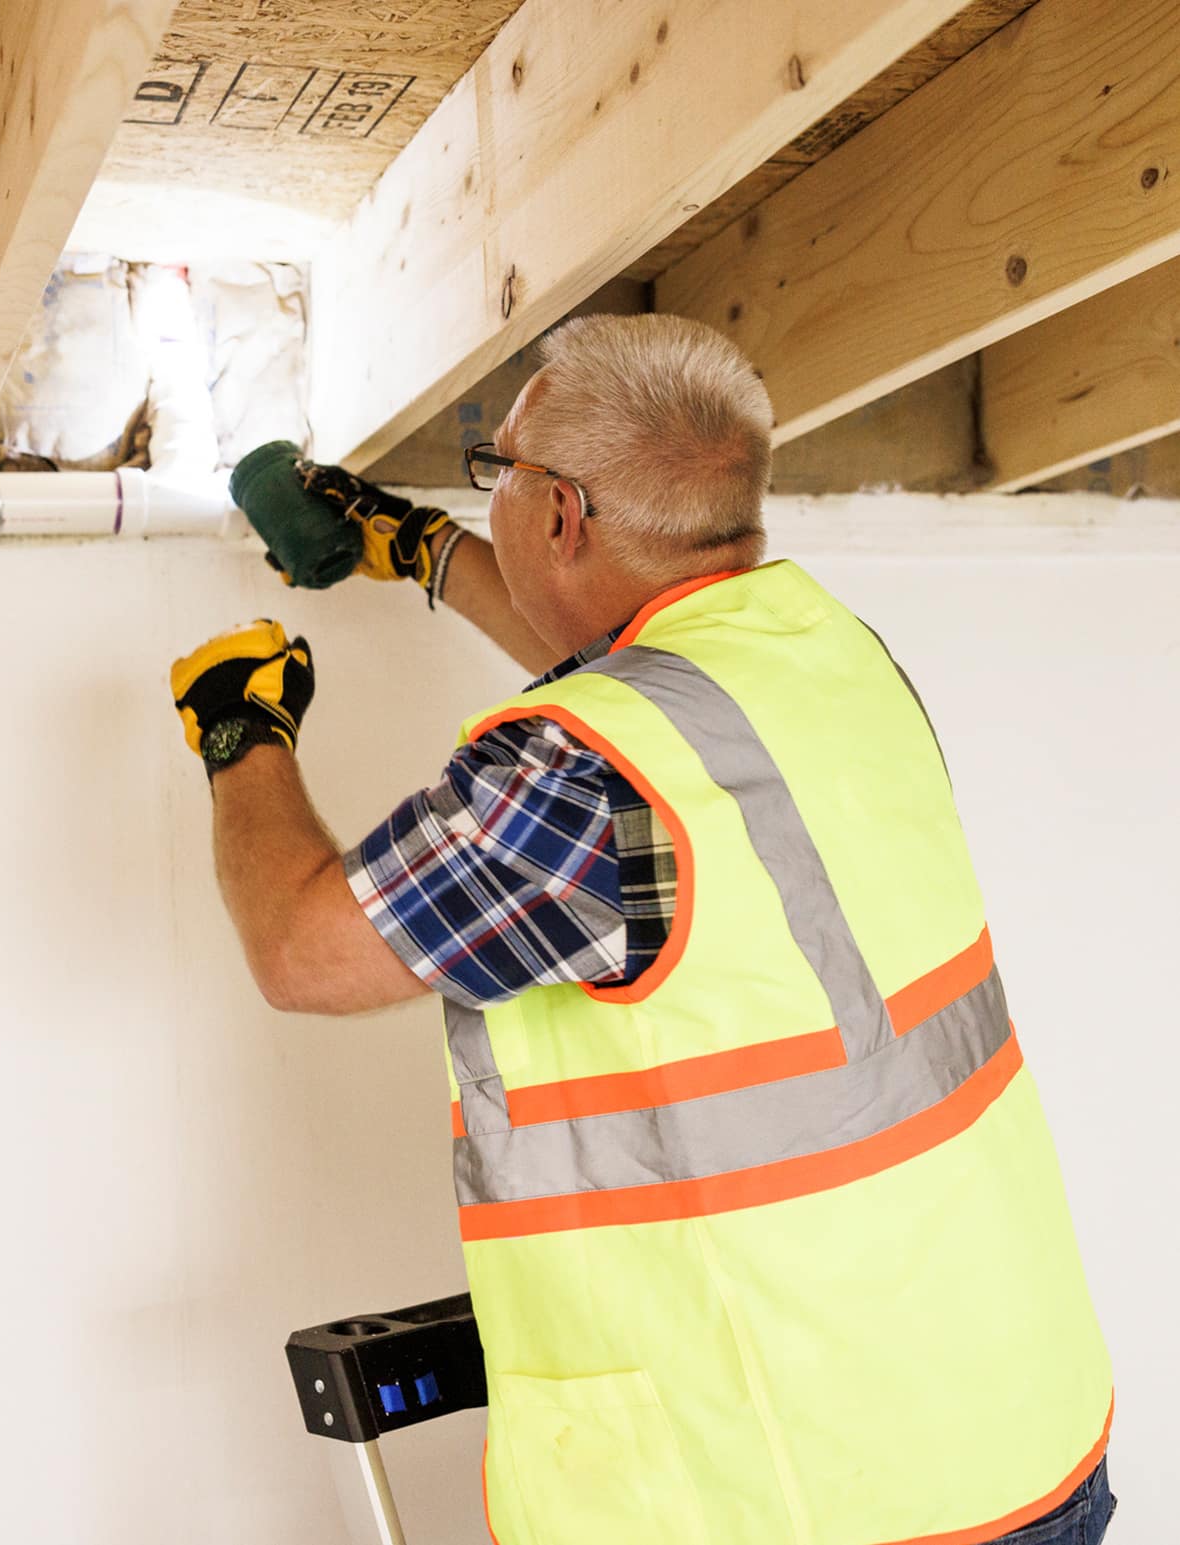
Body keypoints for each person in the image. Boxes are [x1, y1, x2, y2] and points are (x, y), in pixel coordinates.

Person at [169, 315, 1115, 1545]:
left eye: (494, 472)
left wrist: (239, 734)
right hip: (1008, 1436)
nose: (489, 494)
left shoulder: (572, 776)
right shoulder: (825, 656)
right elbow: (634, 669)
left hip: (804, 1495)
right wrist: (425, 551)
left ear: (560, 516)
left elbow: (302, 952)